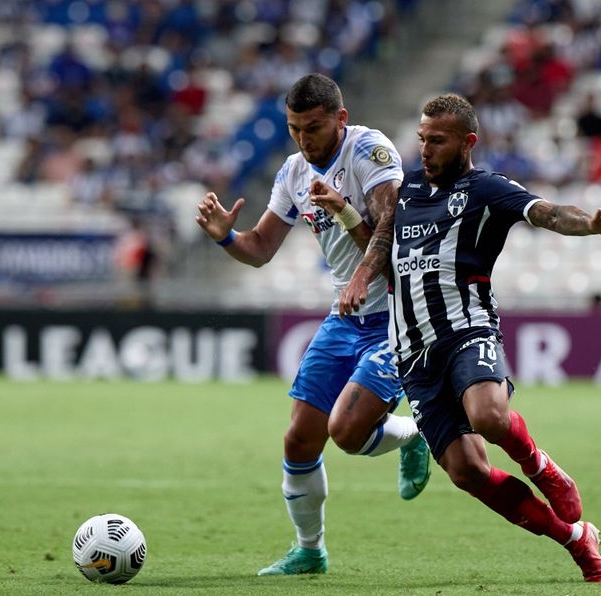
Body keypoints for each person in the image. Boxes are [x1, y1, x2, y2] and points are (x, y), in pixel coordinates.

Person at [384, 94, 601, 582]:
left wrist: (590, 224)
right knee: (468, 474)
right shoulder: (406, 190)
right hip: (413, 353)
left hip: (466, 328)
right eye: (421, 138)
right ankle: (576, 539)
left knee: (488, 415)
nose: (425, 149)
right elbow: (378, 247)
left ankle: (541, 465)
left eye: (437, 140)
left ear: (468, 142)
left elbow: (547, 213)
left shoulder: (487, 188)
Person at [195, 73, 431, 576]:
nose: (304, 139)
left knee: (345, 433)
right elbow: (259, 249)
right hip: (345, 316)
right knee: (300, 438)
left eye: (314, 127)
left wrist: (349, 226)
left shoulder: (370, 152)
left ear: (340, 119)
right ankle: (310, 550)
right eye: (294, 128)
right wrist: (225, 237)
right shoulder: (293, 173)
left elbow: (391, 235)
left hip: (397, 314)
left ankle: (415, 434)